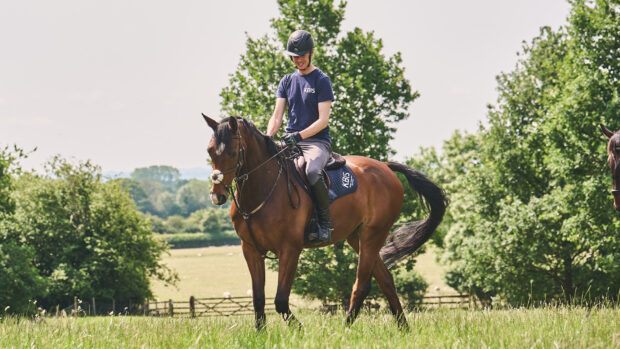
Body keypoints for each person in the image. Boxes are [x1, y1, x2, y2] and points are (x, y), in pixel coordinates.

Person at [266, 30, 334, 243]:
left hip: (317, 142)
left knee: (312, 171)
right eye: (294, 57)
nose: (299, 60)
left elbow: (323, 121)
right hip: (290, 140)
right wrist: (268, 138)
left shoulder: (321, 80)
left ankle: (324, 222)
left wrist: (299, 136)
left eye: (302, 55)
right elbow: (277, 116)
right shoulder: (286, 81)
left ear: (311, 53)